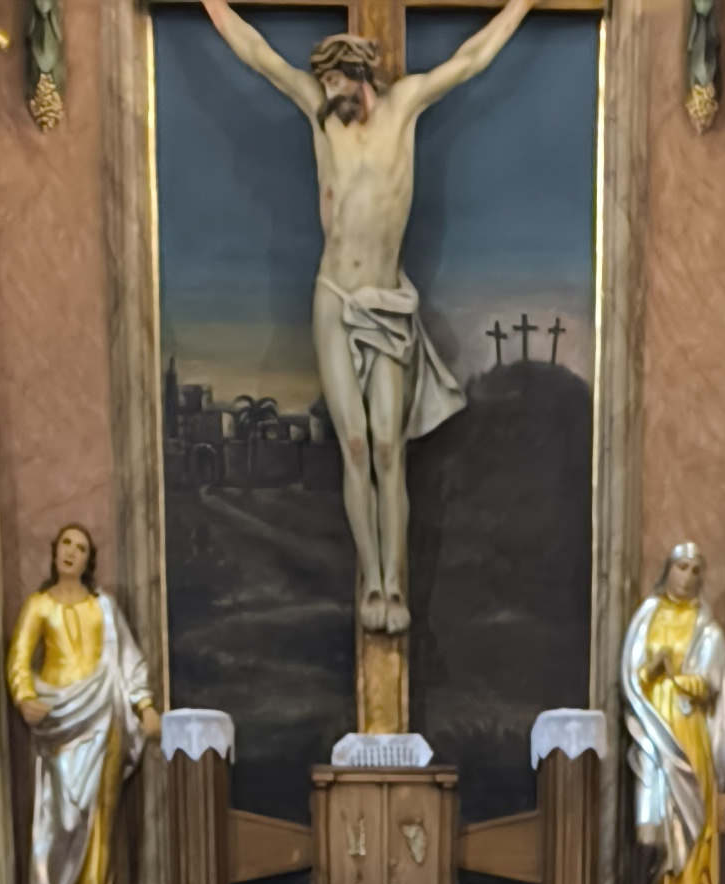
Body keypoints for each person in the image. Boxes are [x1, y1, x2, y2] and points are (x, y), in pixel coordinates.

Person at [191, 0, 536, 636]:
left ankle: (395, 584)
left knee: (386, 448)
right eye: (321, 84)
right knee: (353, 445)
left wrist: (521, 4)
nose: (327, 95)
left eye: (334, 83)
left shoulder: (405, 105)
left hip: (387, 302)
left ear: (360, 77)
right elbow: (258, 54)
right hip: (334, 296)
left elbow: (472, 58)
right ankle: (371, 580)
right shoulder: (318, 115)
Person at [4, 522, 156, 884]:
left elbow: (128, 662)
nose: (71, 552)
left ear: (89, 560)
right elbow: (19, 659)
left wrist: (145, 705)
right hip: (61, 721)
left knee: (102, 822)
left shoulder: (104, 608)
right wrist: (24, 696)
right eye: (66, 544)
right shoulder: (39, 606)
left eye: (81, 547)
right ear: (55, 551)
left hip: (104, 719)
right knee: (65, 820)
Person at [620, 541, 725, 884]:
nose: (686, 576)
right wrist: (650, 671)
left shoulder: (708, 628)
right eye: (680, 567)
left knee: (692, 829)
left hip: (688, 737)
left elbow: (711, 683)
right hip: (653, 738)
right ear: (667, 569)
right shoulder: (647, 616)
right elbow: (630, 674)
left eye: (694, 569)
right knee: (652, 831)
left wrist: (676, 677)